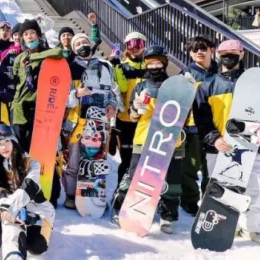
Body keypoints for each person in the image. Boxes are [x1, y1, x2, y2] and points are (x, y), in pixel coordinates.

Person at [193, 39, 260, 246]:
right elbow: (201, 119)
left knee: (259, 189)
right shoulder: (208, 85)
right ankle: (220, 227)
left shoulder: (254, 83)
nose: (229, 56)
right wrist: (213, 139)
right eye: (225, 52)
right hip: (219, 146)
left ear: (242, 55)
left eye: (234, 52)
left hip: (249, 145)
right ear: (217, 55)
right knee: (218, 189)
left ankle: (254, 229)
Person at [112, 45, 182, 233]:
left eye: (157, 62)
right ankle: (125, 209)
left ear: (164, 63)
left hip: (168, 138)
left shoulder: (175, 85)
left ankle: (168, 214)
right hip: (143, 136)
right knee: (135, 173)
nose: (154, 67)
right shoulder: (142, 86)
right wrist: (135, 108)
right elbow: (134, 116)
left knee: (169, 177)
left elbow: (182, 111)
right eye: (150, 63)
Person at [62, 31, 122, 209]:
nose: (81, 46)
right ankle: (71, 195)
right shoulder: (70, 68)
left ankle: (92, 197)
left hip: (98, 121)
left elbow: (113, 92)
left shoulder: (105, 67)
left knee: (95, 158)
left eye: (83, 42)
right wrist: (76, 94)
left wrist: (112, 105)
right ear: (73, 49)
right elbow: (62, 99)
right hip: (77, 120)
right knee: (73, 160)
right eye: (77, 44)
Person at [0, 124, 55, 260]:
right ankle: (13, 257)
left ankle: (26, 231)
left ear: (14, 141)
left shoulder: (31, 163)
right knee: (8, 224)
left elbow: (29, 187)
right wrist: (6, 210)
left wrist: (9, 207)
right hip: (13, 211)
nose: (3, 147)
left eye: (6, 142)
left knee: (37, 248)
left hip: (37, 209)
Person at [177, 36, 217, 216]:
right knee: (190, 167)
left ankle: (210, 202)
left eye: (203, 48)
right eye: (194, 49)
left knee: (212, 170)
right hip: (193, 128)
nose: (199, 52)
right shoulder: (186, 74)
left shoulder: (220, 72)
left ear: (212, 50)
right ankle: (189, 201)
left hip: (216, 129)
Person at [10, 19, 64, 151]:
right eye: (26, 34)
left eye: (32, 33)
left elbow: (58, 52)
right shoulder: (19, 58)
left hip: (40, 107)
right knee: (20, 146)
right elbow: (15, 80)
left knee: (38, 146)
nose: (29, 36)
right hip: (19, 107)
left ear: (38, 35)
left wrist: (32, 58)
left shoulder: (48, 54)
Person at [112, 31, 147, 182]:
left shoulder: (150, 67)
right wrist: (116, 66)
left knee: (143, 159)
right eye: (131, 44)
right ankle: (123, 190)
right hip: (125, 120)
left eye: (138, 44)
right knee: (127, 159)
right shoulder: (122, 67)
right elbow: (123, 88)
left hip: (145, 121)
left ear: (144, 46)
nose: (135, 48)